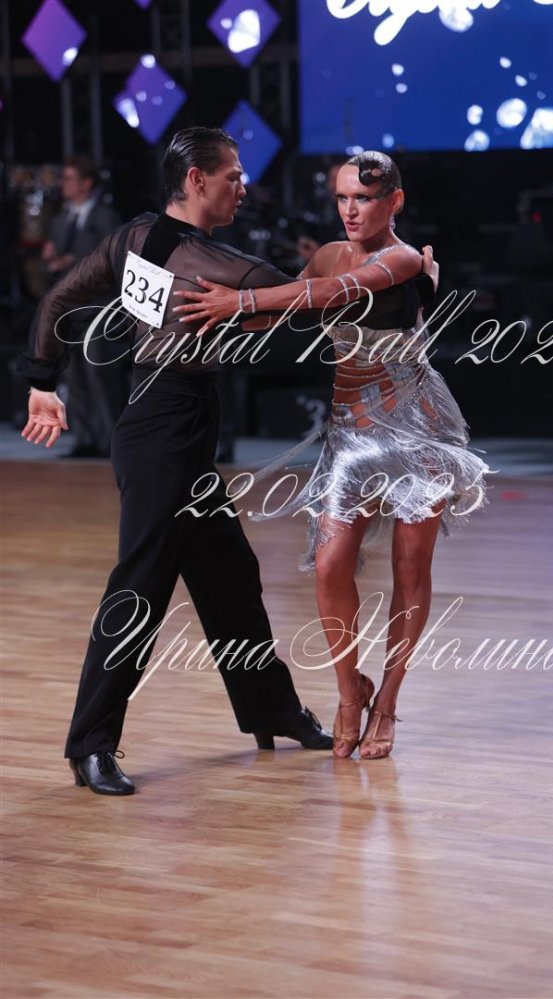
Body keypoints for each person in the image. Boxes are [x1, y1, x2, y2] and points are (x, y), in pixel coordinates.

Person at [18, 127, 336, 797]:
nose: (243, 187)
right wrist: (373, 264)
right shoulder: (212, 260)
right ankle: (89, 744)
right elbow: (309, 303)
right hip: (163, 430)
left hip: (169, 425)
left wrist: (43, 378)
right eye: (233, 176)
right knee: (140, 586)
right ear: (196, 180)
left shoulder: (134, 238)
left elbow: (56, 300)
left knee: (229, 575)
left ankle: (271, 710)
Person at [173, 151, 490, 761]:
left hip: (416, 431)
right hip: (351, 435)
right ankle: (350, 692)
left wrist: (241, 303)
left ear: (394, 201)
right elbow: (288, 307)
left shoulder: (401, 258)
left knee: (410, 570)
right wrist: (208, 306)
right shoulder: (325, 253)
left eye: (363, 198)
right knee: (328, 567)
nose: (350, 209)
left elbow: (332, 292)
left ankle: (387, 701)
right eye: (342, 197)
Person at [42, 155, 125, 458]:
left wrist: (71, 261)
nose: (63, 185)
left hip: (98, 308)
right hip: (70, 309)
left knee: (99, 373)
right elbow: (53, 259)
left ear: (86, 183)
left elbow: (110, 259)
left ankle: (110, 439)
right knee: (74, 374)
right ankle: (85, 437)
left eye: (69, 179)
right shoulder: (60, 219)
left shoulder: (106, 218)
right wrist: (51, 259)